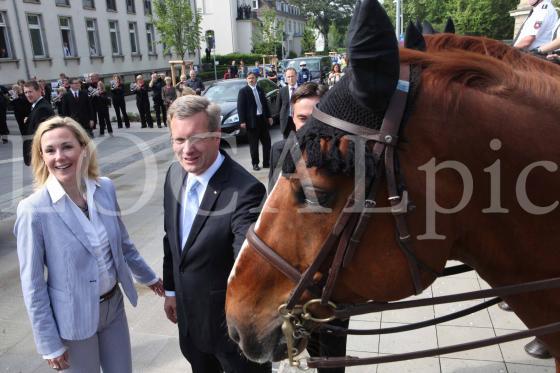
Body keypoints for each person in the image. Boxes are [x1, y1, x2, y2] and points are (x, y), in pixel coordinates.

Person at [14, 116, 165, 372]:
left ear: (83, 148)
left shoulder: (104, 188)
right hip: (73, 320)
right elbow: (33, 285)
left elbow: (123, 244)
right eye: (50, 150)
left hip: (113, 308)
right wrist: (49, 343)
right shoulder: (33, 210)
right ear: (41, 156)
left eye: (67, 146)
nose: (59, 156)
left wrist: (150, 279)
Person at [162, 95, 270, 373]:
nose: (187, 149)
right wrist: (172, 291)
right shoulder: (174, 175)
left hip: (232, 336)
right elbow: (171, 241)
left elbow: (248, 266)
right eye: (178, 140)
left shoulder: (245, 191)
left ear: (217, 134)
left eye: (196, 137)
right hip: (190, 325)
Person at [268, 82, 328, 190]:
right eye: (303, 119)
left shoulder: (343, 157)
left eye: (316, 119)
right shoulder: (280, 151)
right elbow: (273, 196)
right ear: (293, 119)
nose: (309, 127)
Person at [237, 72, 272, 171]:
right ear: (246, 80)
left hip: (262, 119)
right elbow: (240, 107)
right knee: (254, 144)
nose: (251, 80)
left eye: (252, 78)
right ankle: (255, 163)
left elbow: (265, 104)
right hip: (251, 121)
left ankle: (266, 162)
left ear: (256, 79)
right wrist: (242, 121)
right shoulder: (243, 91)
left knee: (267, 142)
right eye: (249, 78)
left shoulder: (260, 89)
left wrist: (269, 116)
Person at [23, 80, 55, 166]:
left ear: (39, 91)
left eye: (30, 91)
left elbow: (41, 135)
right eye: (25, 92)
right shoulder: (37, 106)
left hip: (41, 155)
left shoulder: (42, 109)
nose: (28, 95)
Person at [276, 67, 298, 139]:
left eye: (292, 76)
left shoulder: (302, 89)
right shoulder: (282, 91)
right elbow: (278, 107)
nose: (290, 79)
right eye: (288, 77)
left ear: (296, 76)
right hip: (286, 121)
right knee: (286, 145)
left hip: (298, 120)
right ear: (285, 78)